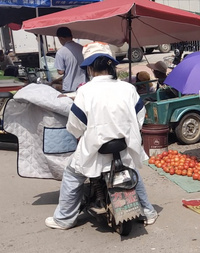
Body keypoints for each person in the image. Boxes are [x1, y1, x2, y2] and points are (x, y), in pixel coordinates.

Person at [45, 42, 158, 230]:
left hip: (95, 151)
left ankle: (64, 219)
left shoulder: (85, 91)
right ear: (111, 66)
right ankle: (148, 212)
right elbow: (140, 117)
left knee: (72, 175)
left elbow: (75, 125)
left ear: (89, 68)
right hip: (124, 147)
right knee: (132, 173)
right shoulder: (128, 89)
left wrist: (83, 134)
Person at [54, 27, 86, 92]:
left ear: (61, 38)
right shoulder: (82, 48)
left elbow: (60, 72)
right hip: (84, 85)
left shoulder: (61, 52)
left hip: (69, 87)